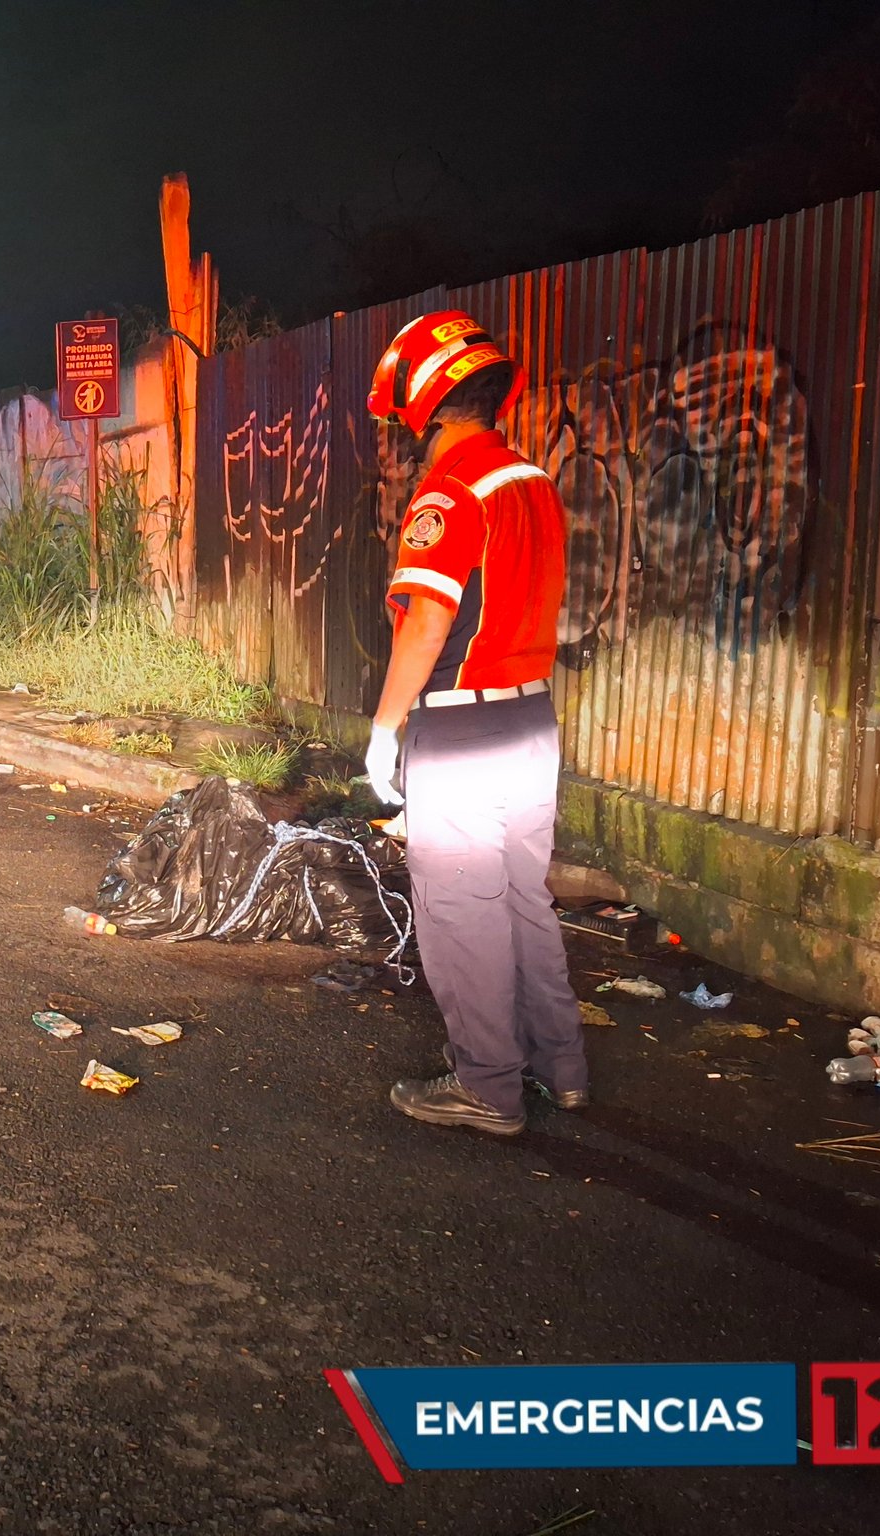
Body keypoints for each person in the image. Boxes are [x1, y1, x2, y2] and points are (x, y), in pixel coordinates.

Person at [362, 311, 584, 1137]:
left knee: (462, 913)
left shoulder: (450, 492)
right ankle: (564, 1071)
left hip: (461, 732)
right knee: (527, 901)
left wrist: (386, 733)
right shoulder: (531, 480)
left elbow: (426, 621)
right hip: (532, 721)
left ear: (422, 408)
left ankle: (488, 1088)